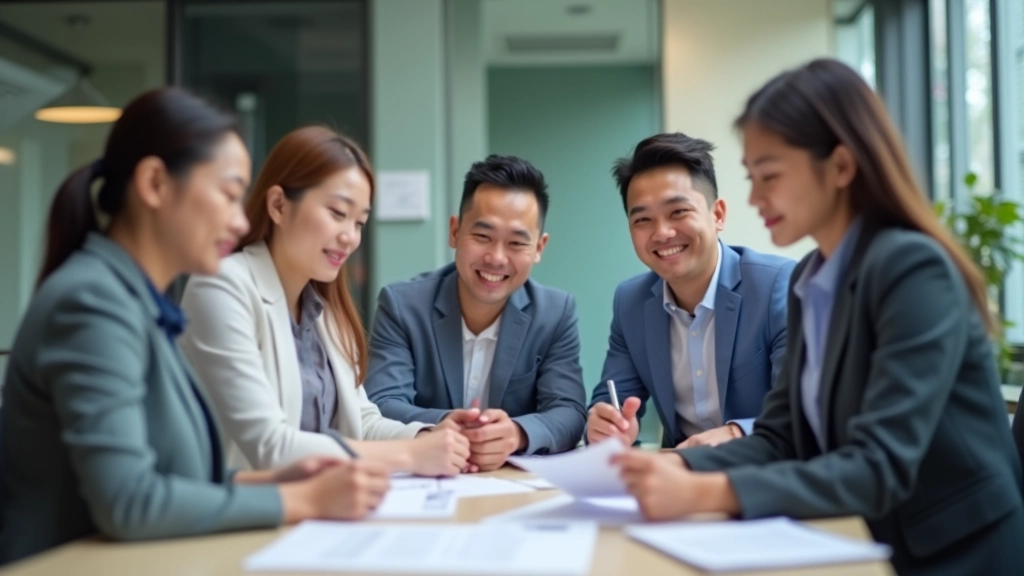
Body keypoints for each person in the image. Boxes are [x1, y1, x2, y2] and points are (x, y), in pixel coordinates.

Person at [611, 59, 1024, 576]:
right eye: (752, 178)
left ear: (841, 167)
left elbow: (880, 466)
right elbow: (782, 439)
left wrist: (704, 489)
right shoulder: (812, 278)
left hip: (949, 551)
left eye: (771, 176)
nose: (756, 198)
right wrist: (672, 463)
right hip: (858, 537)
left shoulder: (913, 270)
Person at [0, 88, 389, 564]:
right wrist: (302, 500)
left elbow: (175, 480)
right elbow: (131, 501)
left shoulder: (138, 304)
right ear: (155, 184)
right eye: (227, 195)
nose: (235, 220)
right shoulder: (93, 302)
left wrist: (276, 480)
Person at [179, 126, 469, 476]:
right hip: (239, 520)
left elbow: (361, 424)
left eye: (360, 222)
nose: (350, 237)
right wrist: (411, 455)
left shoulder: (325, 310)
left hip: (321, 510)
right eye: (337, 213)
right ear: (278, 205)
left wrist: (432, 437)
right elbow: (271, 445)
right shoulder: (222, 286)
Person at [363, 155, 587, 470]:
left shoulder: (554, 313)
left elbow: (569, 412)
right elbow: (381, 403)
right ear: (454, 231)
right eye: (482, 237)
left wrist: (516, 434)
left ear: (539, 248)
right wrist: (442, 426)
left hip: (514, 487)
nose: (496, 258)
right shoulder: (402, 306)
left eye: (516, 243)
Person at [587, 133, 794, 449]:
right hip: (679, 478)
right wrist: (608, 425)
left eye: (678, 212)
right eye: (643, 219)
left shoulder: (777, 286)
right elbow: (611, 400)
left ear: (718, 215)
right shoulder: (631, 302)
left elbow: (802, 408)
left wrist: (737, 432)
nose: (662, 233)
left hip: (763, 476)